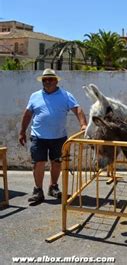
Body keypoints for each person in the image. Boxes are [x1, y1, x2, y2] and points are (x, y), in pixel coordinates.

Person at [19, 69, 87, 203]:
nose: (47, 82)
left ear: (56, 81)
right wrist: (22, 131)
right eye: (45, 80)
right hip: (38, 136)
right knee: (38, 163)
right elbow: (27, 114)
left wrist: (83, 124)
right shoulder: (35, 96)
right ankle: (38, 190)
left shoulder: (65, 95)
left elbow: (78, 109)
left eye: (50, 79)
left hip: (58, 136)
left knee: (56, 163)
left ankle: (53, 187)